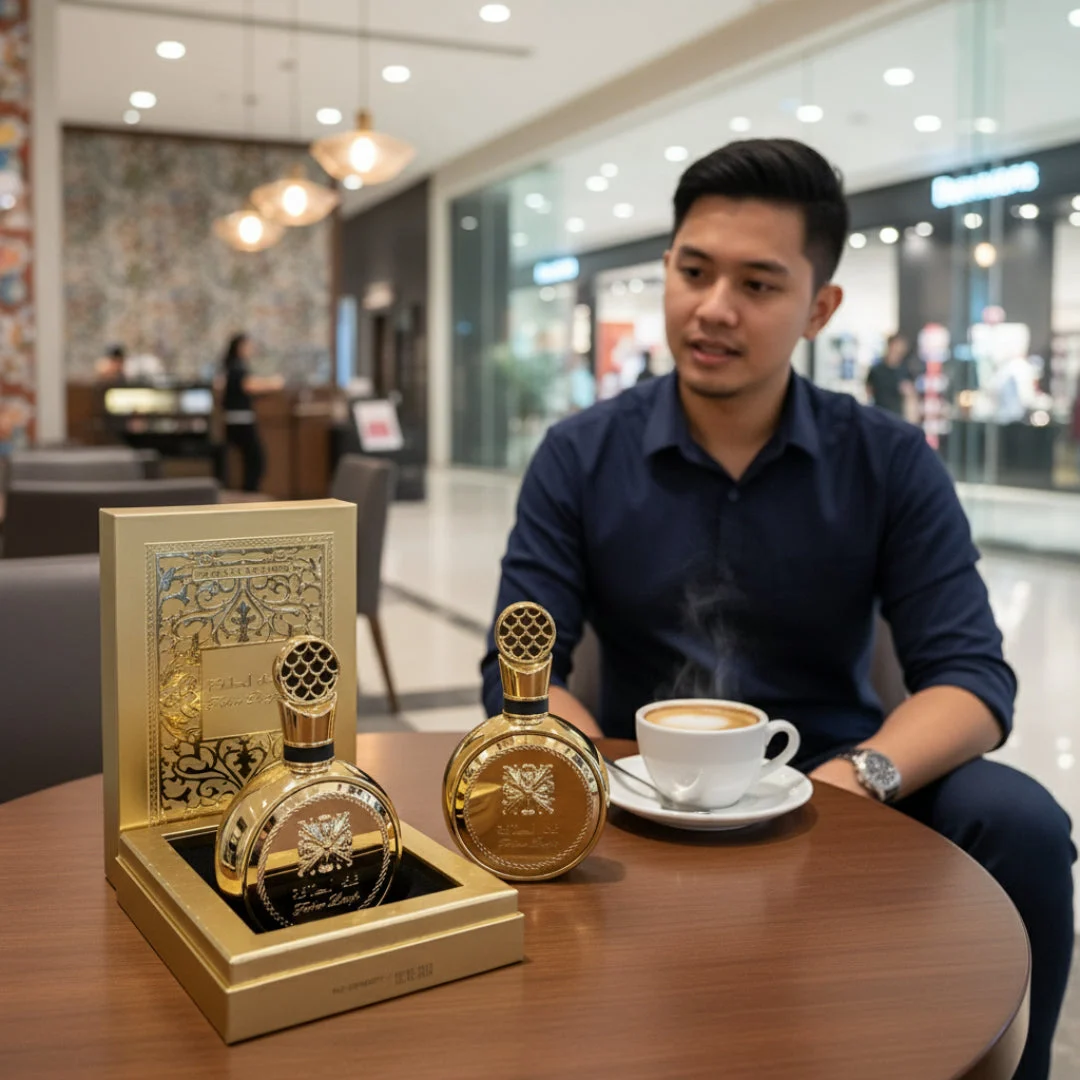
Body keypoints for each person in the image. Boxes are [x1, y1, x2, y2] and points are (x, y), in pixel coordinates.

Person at [481, 138, 1073, 1080]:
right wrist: (594, 777)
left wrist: (849, 784)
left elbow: (971, 680)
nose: (713, 308)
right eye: (693, 271)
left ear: (818, 307)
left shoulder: (888, 462)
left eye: (758, 284)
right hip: (640, 788)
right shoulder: (580, 456)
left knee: (1024, 822)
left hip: (846, 781)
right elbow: (520, 673)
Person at [218, 333, 282, 492]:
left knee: (248, 460)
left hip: (234, 419)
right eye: (248, 346)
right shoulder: (237, 366)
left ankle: (246, 492)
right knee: (256, 460)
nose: (251, 350)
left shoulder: (230, 366)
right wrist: (273, 383)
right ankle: (249, 493)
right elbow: (249, 385)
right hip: (240, 420)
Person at [865, 332, 915, 419]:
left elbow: (910, 398)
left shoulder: (905, 371)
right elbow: (868, 392)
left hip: (898, 418)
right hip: (879, 415)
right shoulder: (876, 370)